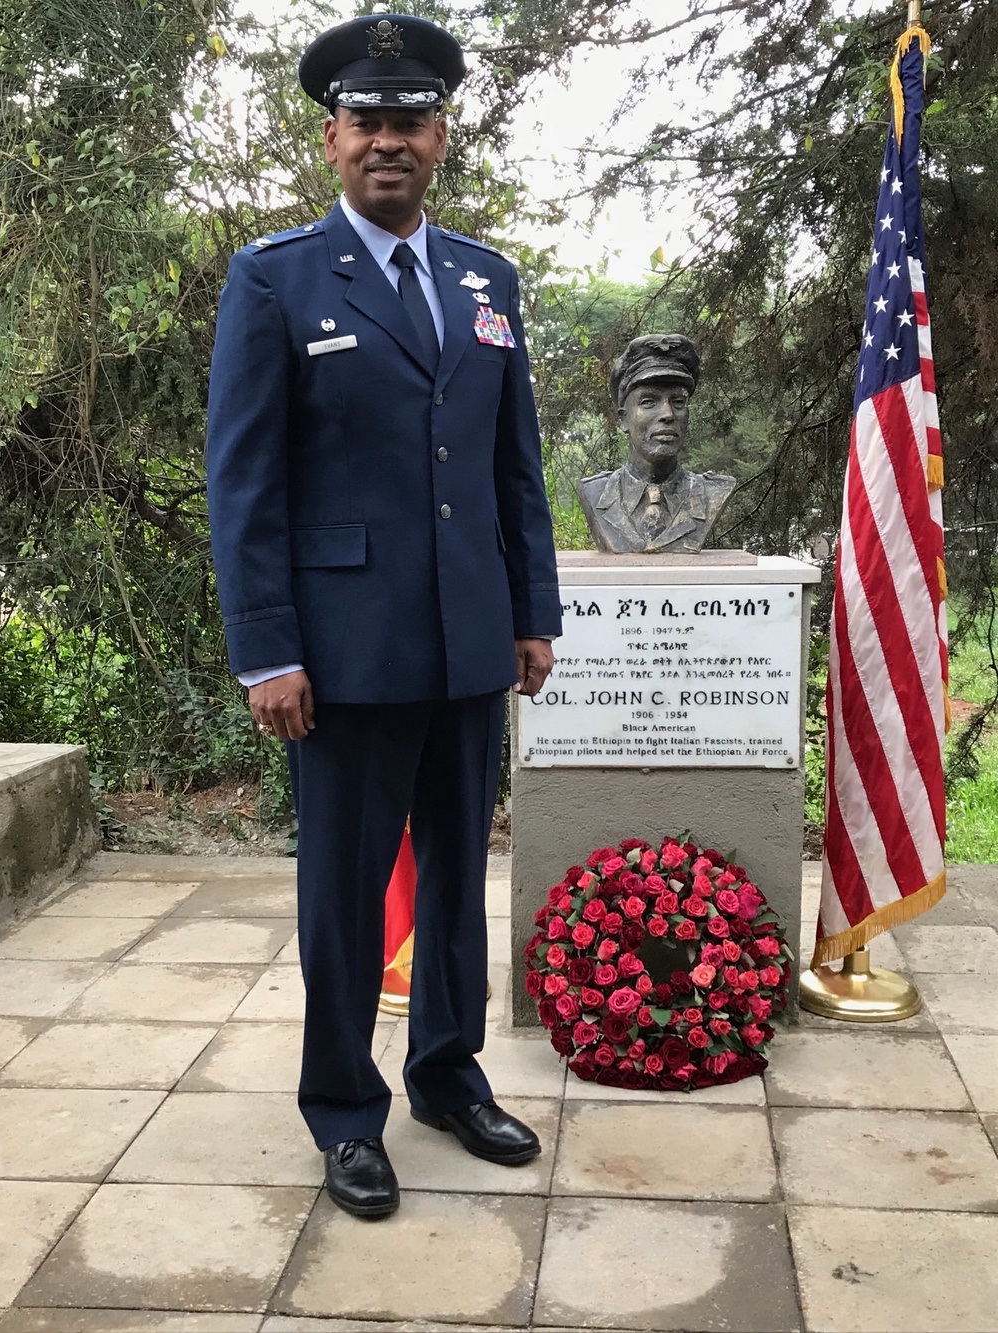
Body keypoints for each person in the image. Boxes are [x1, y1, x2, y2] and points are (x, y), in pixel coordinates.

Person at [206, 12, 561, 1220]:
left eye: (410, 121)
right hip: (341, 656)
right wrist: (267, 648)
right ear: (332, 141)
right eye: (368, 122)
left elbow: (516, 465)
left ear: (441, 137)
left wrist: (530, 612)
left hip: (467, 640)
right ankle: (344, 1111)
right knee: (345, 899)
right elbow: (243, 480)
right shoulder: (276, 277)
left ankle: (448, 1075)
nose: (389, 142)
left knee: (460, 879)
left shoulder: (485, 280)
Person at [579, 334, 735, 553]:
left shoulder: (714, 491)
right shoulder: (594, 492)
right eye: (649, 402)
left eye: (678, 402)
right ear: (624, 419)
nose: (668, 414)